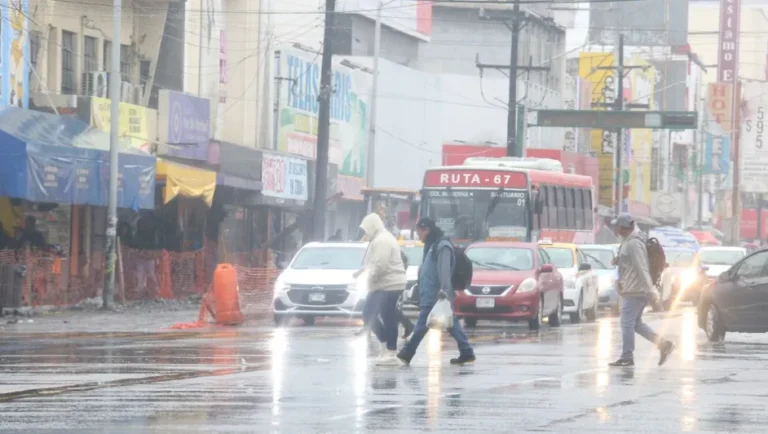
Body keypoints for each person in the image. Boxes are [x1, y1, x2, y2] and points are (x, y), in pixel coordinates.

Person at [397, 217, 475, 366]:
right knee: (451, 324)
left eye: (419, 233)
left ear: (426, 230)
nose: (418, 236)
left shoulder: (442, 245)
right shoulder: (432, 244)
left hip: (437, 294)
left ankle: (407, 353)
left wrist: (444, 291)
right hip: (431, 292)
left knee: (422, 324)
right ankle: (467, 352)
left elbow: (444, 269)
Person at [610, 213, 675, 367]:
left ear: (621, 227)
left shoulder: (634, 243)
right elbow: (633, 263)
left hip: (635, 290)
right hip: (634, 289)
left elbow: (642, 268)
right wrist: (619, 260)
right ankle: (664, 344)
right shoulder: (630, 241)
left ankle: (627, 356)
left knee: (626, 323)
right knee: (636, 323)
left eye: (617, 226)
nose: (615, 228)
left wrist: (651, 293)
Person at [354, 213, 407, 365]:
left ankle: (389, 350)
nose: (365, 233)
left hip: (387, 284)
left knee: (372, 313)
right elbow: (375, 262)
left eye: (366, 229)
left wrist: (368, 277)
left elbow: (380, 265)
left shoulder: (382, 240)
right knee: (384, 315)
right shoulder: (380, 238)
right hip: (386, 284)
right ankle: (387, 348)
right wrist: (362, 272)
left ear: (372, 226)